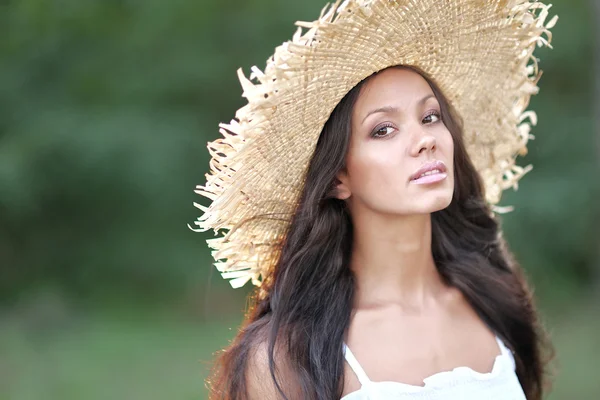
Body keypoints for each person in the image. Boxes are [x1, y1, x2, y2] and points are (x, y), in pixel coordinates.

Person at [190, 0, 558, 399]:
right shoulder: (285, 359)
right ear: (337, 177)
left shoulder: (495, 300)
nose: (425, 140)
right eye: (383, 130)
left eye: (430, 116)